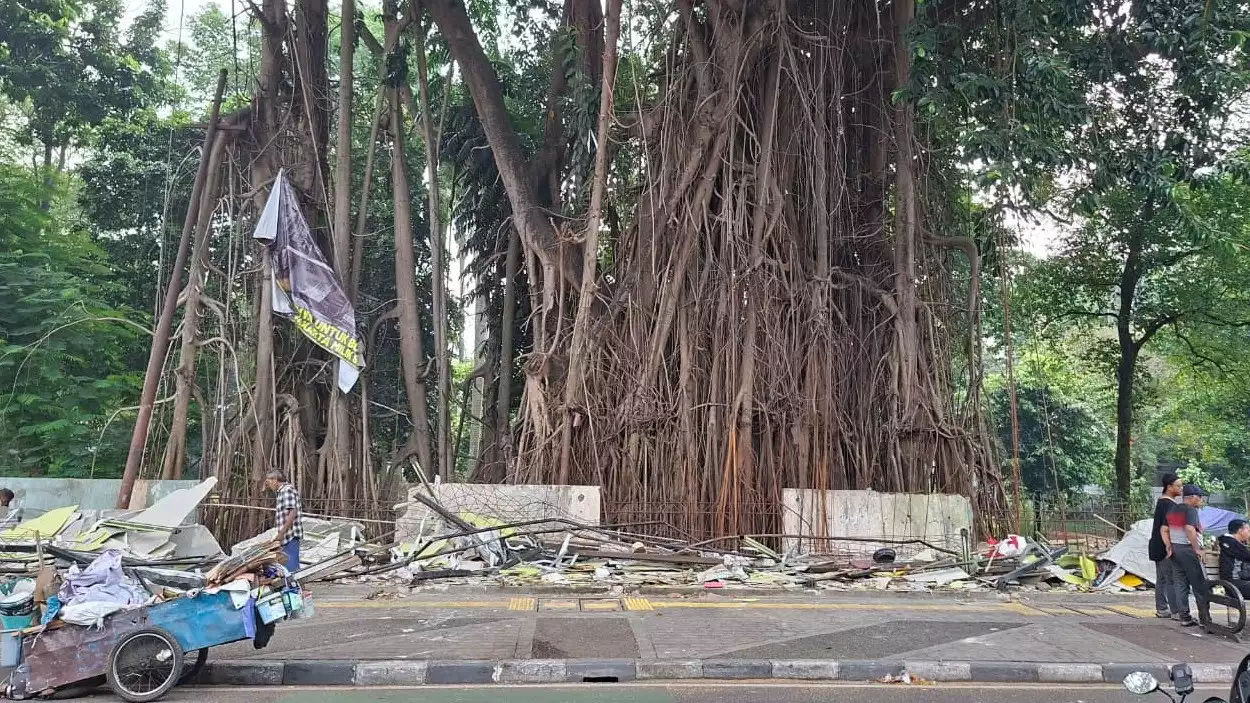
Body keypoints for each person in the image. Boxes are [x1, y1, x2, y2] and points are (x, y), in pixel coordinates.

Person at [1163, 484, 1210, 627]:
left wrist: (1169, 546)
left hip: (1176, 550)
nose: (1201, 500)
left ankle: (1184, 617)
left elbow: (1164, 530)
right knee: (1199, 584)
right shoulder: (1191, 510)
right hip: (1188, 550)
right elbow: (1190, 529)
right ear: (1192, 498)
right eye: (1200, 497)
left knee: (1180, 584)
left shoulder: (1173, 509)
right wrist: (1197, 549)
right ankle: (1205, 619)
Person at [1150, 473, 1184, 618]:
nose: (1181, 489)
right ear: (1169, 487)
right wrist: (1170, 546)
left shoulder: (1162, 502)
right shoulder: (1170, 505)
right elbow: (1169, 528)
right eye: (1178, 486)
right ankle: (1175, 611)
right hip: (1165, 547)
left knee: (1162, 579)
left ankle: (1162, 608)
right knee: (1170, 579)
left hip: (1157, 545)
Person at [264, 470, 303, 574]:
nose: (269, 485)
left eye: (269, 482)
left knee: (291, 568)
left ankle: (295, 588)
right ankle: (293, 587)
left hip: (290, 535)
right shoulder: (281, 492)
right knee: (286, 566)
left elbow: (292, 512)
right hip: (286, 536)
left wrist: (282, 532)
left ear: (275, 480)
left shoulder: (287, 490)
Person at [1218, 519, 1250, 598]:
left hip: (1239, 582)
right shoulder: (1230, 543)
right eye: (1248, 530)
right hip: (1232, 585)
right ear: (1240, 530)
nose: (1249, 533)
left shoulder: (1233, 543)